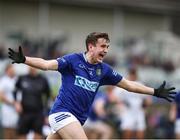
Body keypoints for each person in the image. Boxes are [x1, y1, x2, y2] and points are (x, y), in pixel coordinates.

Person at [8, 32, 176, 139]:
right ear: (91, 46)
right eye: (103, 46)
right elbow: (46, 64)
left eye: (108, 47)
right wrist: (25, 59)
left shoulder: (104, 70)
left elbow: (128, 85)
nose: (106, 50)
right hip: (62, 113)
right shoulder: (73, 60)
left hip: (77, 120)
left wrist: (154, 91)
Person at [113, 67, 152, 139]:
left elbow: (148, 99)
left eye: (134, 74)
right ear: (129, 74)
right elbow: (114, 97)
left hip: (139, 111)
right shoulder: (123, 84)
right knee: (127, 132)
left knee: (140, 132)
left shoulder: (140, 84)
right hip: (127, 111)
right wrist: (121, 102)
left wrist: (145, 105)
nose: (133, 75)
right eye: (131, 73)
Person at [13, 66, 51, 139]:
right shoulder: (22, 78)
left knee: (38, 134)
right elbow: (15, 91)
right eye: (30, 67)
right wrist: (16, 103)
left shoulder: (42, 79)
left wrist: (46, 113)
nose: (32, 68)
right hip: (24, 112)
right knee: (21, 134)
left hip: (38, 112)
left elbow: (48, 96)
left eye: (34, 67)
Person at [0, 64, 19, 139]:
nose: (13, 70)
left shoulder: (16, 79)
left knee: (16, 129)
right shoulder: (4, 80)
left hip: (17, 109)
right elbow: (1, 95)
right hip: (7, 108)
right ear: (7, 70)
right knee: (8, 129)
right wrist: (13, 103)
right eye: (11, 69)